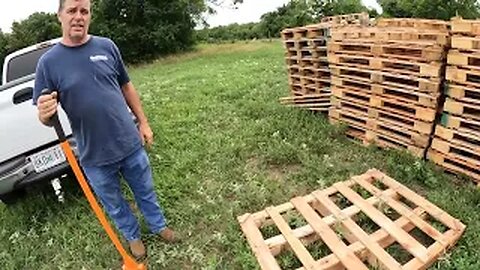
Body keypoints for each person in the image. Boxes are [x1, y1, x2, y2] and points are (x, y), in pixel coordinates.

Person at [33, 0, 177, 259]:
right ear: (59, 16)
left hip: (128, 142)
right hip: (94, 155)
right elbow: (45, 116)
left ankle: (159, 226)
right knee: (114, 204)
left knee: (145, 189)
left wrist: (143, 122)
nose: (78, 16)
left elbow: (127, 87)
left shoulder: (106, 46)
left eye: (84, 11)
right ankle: (133, 237)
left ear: (89, 16)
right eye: (72, 11)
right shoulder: (48, 63)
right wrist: (44, 114)